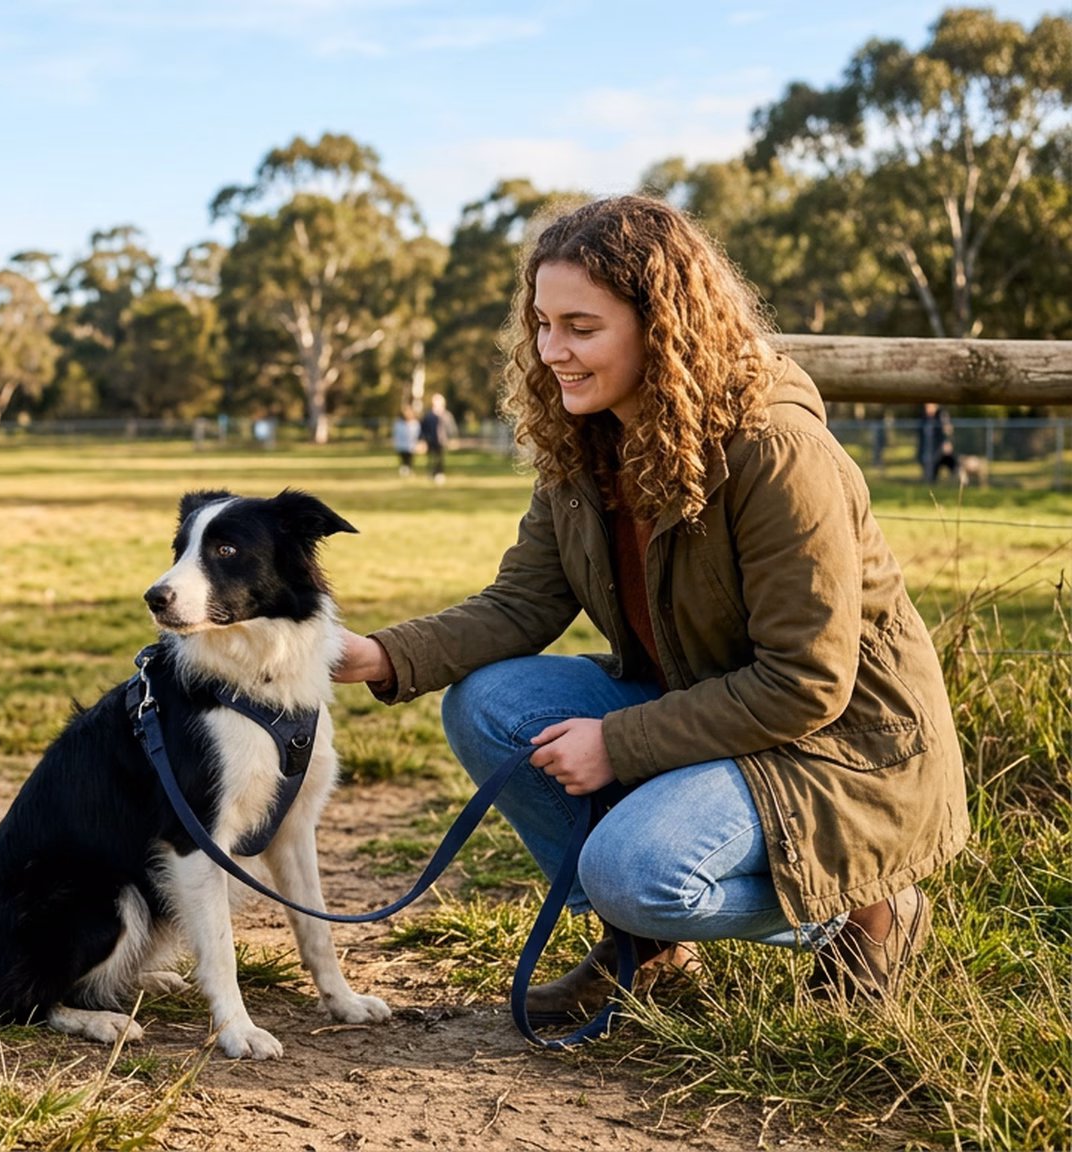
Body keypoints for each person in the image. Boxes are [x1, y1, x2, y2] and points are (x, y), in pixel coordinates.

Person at [333, 196, 966, 1023]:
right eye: (542, 324)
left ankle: (867, 912)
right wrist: (377, 655)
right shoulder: (586, 440)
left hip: (842, 746)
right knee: (491, 706)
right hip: (713, 713)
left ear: (663, 326)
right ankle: (650, 948)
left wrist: (617, 743)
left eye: (580, 327)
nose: (552, 350)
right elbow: (523, 602)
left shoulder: (777, 454)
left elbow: (806, 683)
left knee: (631, 873)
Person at [419, 394, 458, 485]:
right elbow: (423, 428)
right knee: (431, 458)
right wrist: (422, 440)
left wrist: (452, 439)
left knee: (440, 458)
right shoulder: (428, 415)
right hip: (430, 440)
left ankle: (439, 473)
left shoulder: (447, 415)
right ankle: (432, 473)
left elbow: (451, 428)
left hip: (442, 441)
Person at [919, 403, 957, 484]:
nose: (928, 409)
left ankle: (956, 481)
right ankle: (930, 482)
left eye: (930, 406)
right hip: (929, 450)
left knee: (951, 462)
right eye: (926, 407)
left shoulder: (940, 417)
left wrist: (947, 441)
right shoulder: (924, 420)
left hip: (939, 449)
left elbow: (948, 431)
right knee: (930, 468)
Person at [392, 405, 420, 478]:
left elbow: (417, 434)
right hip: (401, 445)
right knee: (403, 459)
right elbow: (396, 434)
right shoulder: (399, 423)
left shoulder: (414, 423)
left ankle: (409, 471)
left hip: (411, 445)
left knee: (410, 459)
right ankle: (404, 472)